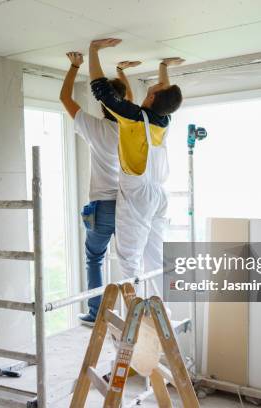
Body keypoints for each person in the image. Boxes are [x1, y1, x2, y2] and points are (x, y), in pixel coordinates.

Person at [87, 38, 184, 296]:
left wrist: (93, 50)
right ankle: (158, 307)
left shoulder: (133, 118)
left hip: (138, 193)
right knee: (154, 255)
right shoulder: (164, 119)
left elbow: (101, 90)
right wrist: (163, 65)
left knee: (129, 258)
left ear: (152, 96)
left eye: (157, 86)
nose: (158, 83)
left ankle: (137, 317)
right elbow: (164, 91)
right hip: (159, 193)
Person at [59, 51, 139, 326]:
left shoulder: (95, 128)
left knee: (94, 257)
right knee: (131, 262)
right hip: (130, 206)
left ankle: (96, 313)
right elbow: (128, 101)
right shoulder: (132, 128)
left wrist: (74, 66)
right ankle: (135, 313)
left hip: (103, 207)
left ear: (103, 106)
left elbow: (65, 99)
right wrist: (120, 72)